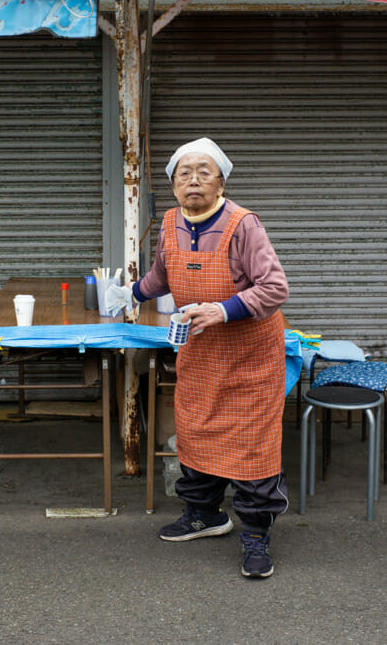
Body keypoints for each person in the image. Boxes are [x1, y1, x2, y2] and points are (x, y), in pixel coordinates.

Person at [130, 137, 290, 579]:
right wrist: (129, 293)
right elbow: (164, 274)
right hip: (201, 354)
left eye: (204, 172)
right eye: (184, 173)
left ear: (221, 182)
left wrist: (222, 309)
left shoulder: (243, 225)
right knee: (195, 432)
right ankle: (205, 515)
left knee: (252, 448)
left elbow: (275, 288)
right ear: (173, 185)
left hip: (251, 357)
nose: (193, 180)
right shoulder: (168, 222)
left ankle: (255, 536)